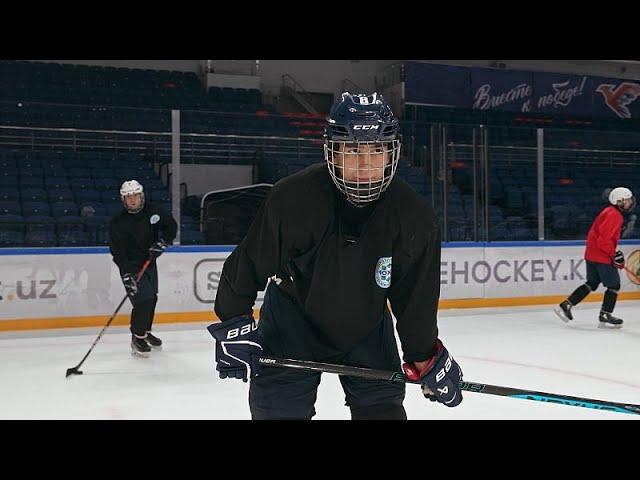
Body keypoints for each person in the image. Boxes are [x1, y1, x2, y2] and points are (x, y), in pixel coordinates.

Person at [207, 92, 463, 420]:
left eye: (376, 149)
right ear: (333, 151)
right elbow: (248, 264)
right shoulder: (293, 199)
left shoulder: (413, 217)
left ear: (391, 153)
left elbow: (415, 299)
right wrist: (233, 322)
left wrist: (425, 355)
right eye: (353, 149)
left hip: (366, 325)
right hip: (291, 321)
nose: (365, 163)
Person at [109, 180, 177, 356]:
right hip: (131, 266)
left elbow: (171, 226)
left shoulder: (153, 211)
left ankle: (145, 332)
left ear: (142, 196)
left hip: (149, 262)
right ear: (123, 200)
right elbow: (117, 252)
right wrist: (126, 274)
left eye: (136, 196)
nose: (133, 200)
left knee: (152, 298)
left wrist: (162, 242)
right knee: (143, 300)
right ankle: (137, 337)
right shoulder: (118, 222)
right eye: (129, 197)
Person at [555, 187, 636, 328]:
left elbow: (601, 238)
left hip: (592, 254)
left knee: (592, 283)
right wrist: (613, 254)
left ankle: (566, 304)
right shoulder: (615, 215)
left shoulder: (608, 211)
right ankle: (605, 314)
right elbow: (603, 241)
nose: (630, 202)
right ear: (619, 201)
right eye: (628, 200)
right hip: (601, 256)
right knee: (614, 285)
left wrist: (614, 253)